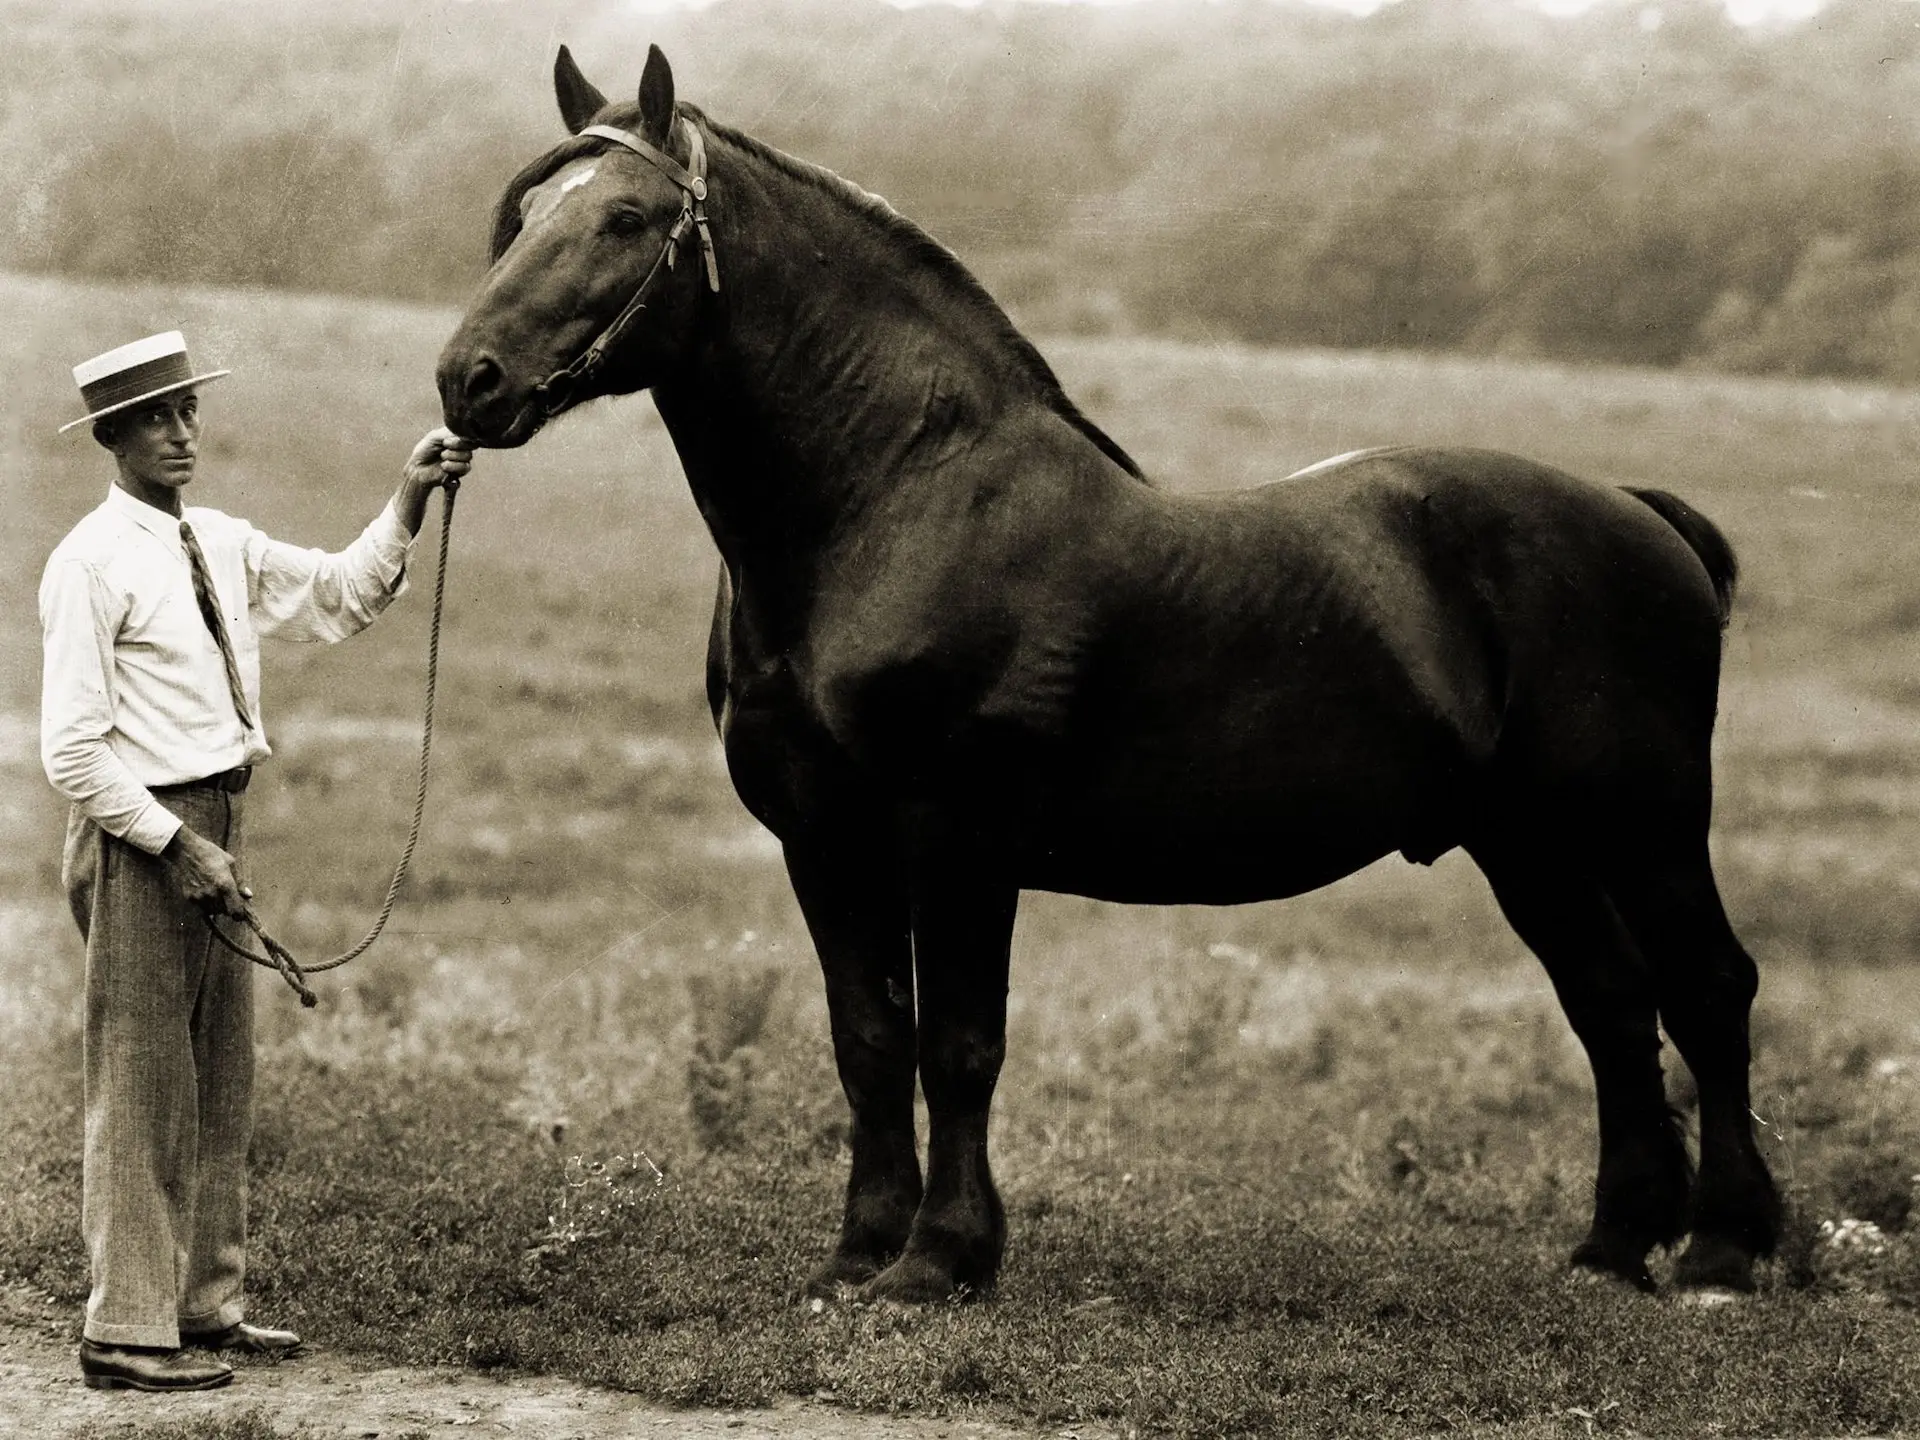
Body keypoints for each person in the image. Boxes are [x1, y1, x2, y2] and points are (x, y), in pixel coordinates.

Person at [39, 331, 473, 1392]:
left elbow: (336, 594)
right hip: (145, 834)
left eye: (187, 411)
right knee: (142, 1082)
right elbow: (71, 751)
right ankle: (125, 1333)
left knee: (219, 1076)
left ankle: (202, 1308)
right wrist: (176, 843)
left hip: (218, 820)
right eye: (155, 418)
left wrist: (407, 499)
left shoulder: (220, 541)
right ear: (113, 435)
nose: (181, 433)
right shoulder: (88, 563)